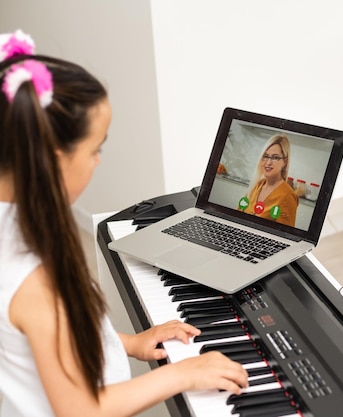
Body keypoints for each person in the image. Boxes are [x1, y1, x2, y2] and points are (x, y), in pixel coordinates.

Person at [0, 29, 248, 417]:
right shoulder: (32, 275)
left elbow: (47, 340)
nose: (98, 162)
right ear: (52, 158)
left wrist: (127, 344)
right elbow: (82, 411)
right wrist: (183, 374)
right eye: (95, 149)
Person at [239, 134, 299, 227]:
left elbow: (284, 236)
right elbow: (238, 214)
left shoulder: (288, 196)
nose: (268, 162)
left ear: (285, 162)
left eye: (275, 157)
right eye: (266, 156)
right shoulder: (257, 185)